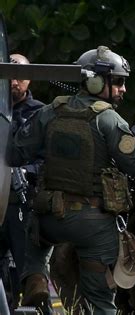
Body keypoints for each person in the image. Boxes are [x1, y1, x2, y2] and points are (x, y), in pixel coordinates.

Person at [9, 45, 135, 314]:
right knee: (101, 300)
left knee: (33, 238)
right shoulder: (109, 119)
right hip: (94, 226)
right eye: (119, 82)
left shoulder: (50, 110)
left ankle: (35, 277)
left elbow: (15, 153)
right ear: (96, 81)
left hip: (49, 218)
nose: (123, 89)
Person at [0, 53, 45, 311]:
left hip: (22, 204)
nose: (14, 82)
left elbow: (48, 161)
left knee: (30, 278)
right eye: (9, 75)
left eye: (20, 76)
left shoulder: (39, 113)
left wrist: (26, 172)